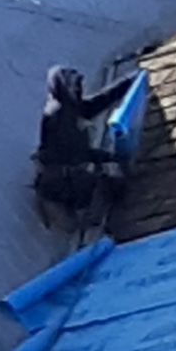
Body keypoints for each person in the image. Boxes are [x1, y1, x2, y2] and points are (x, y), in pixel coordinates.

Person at [33, 66, 133, 237]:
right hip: (60, 180)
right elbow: (72, 154)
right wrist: (103, 158)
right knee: (107, 181)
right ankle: (89, 221)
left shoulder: (72, 107)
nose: (78, 89)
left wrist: (131, 80)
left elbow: (102, 100)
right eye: (74, 86)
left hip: (72, 170)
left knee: (113, 173)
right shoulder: (57, 114)